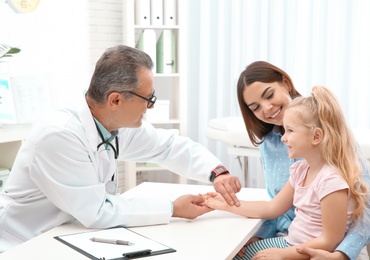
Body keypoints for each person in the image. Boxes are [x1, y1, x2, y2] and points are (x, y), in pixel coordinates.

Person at [0, 45, 241, 252]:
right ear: (115, 100)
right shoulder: (59, 135)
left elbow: (167, 146)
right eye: (149, 99)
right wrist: (172, 208)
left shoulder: (114, 124)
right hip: (24, 242)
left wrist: (217, 172)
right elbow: (96, 211)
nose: (150, 107)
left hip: (70, 233)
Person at [233, 61, 370, 260]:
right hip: (290, 240)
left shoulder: (333, 156)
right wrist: (259, 236)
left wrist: (342, 254)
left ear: (285, 82)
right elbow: (276, 207)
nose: (267, 108)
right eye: (255, 107)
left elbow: (369, 210)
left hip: (331, 250)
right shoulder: (274, 148)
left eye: (269, 95)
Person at [204, 86, 370, 259]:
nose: (283, 137)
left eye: (290, 131)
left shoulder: (331, 181)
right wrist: (226, 204)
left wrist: (283, 255)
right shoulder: (300, 170)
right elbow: (272, 208)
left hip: (312, 252)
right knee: (232, 254)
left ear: (316, 136)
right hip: (290, 243)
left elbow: (330, 240)